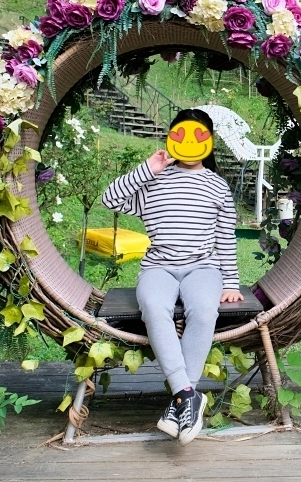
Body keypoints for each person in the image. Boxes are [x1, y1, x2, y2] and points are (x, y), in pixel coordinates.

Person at [101, 108, 242, 445]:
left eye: (198, 136)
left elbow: (225, 237)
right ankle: (186, 395)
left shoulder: (217, 186)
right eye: (182, 133)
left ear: (209, 142)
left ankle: (181, 398)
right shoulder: (154, 181)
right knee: (153, 306)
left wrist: (233, 283)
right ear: (172, 136)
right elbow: (110, 199)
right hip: (158, 267)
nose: (190, 141)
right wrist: (148, 169)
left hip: (203, 268)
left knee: (205, 310)